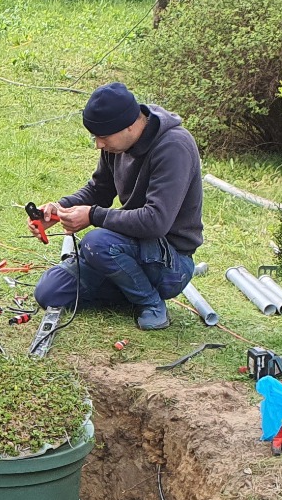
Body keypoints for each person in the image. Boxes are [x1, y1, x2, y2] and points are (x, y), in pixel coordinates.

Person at [32, 82, 204, 331]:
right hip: (126, 248)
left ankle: (151, 303)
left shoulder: (174, 146)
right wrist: (58, 210)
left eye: (103, 137)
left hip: (170, 262)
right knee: (50, 291)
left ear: (131, 125)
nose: (98, 145)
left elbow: (155, 221)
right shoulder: (117, 142)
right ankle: (129, 289)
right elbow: (99, 190)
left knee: (96, 242)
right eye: (95, 137)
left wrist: (92, 215)